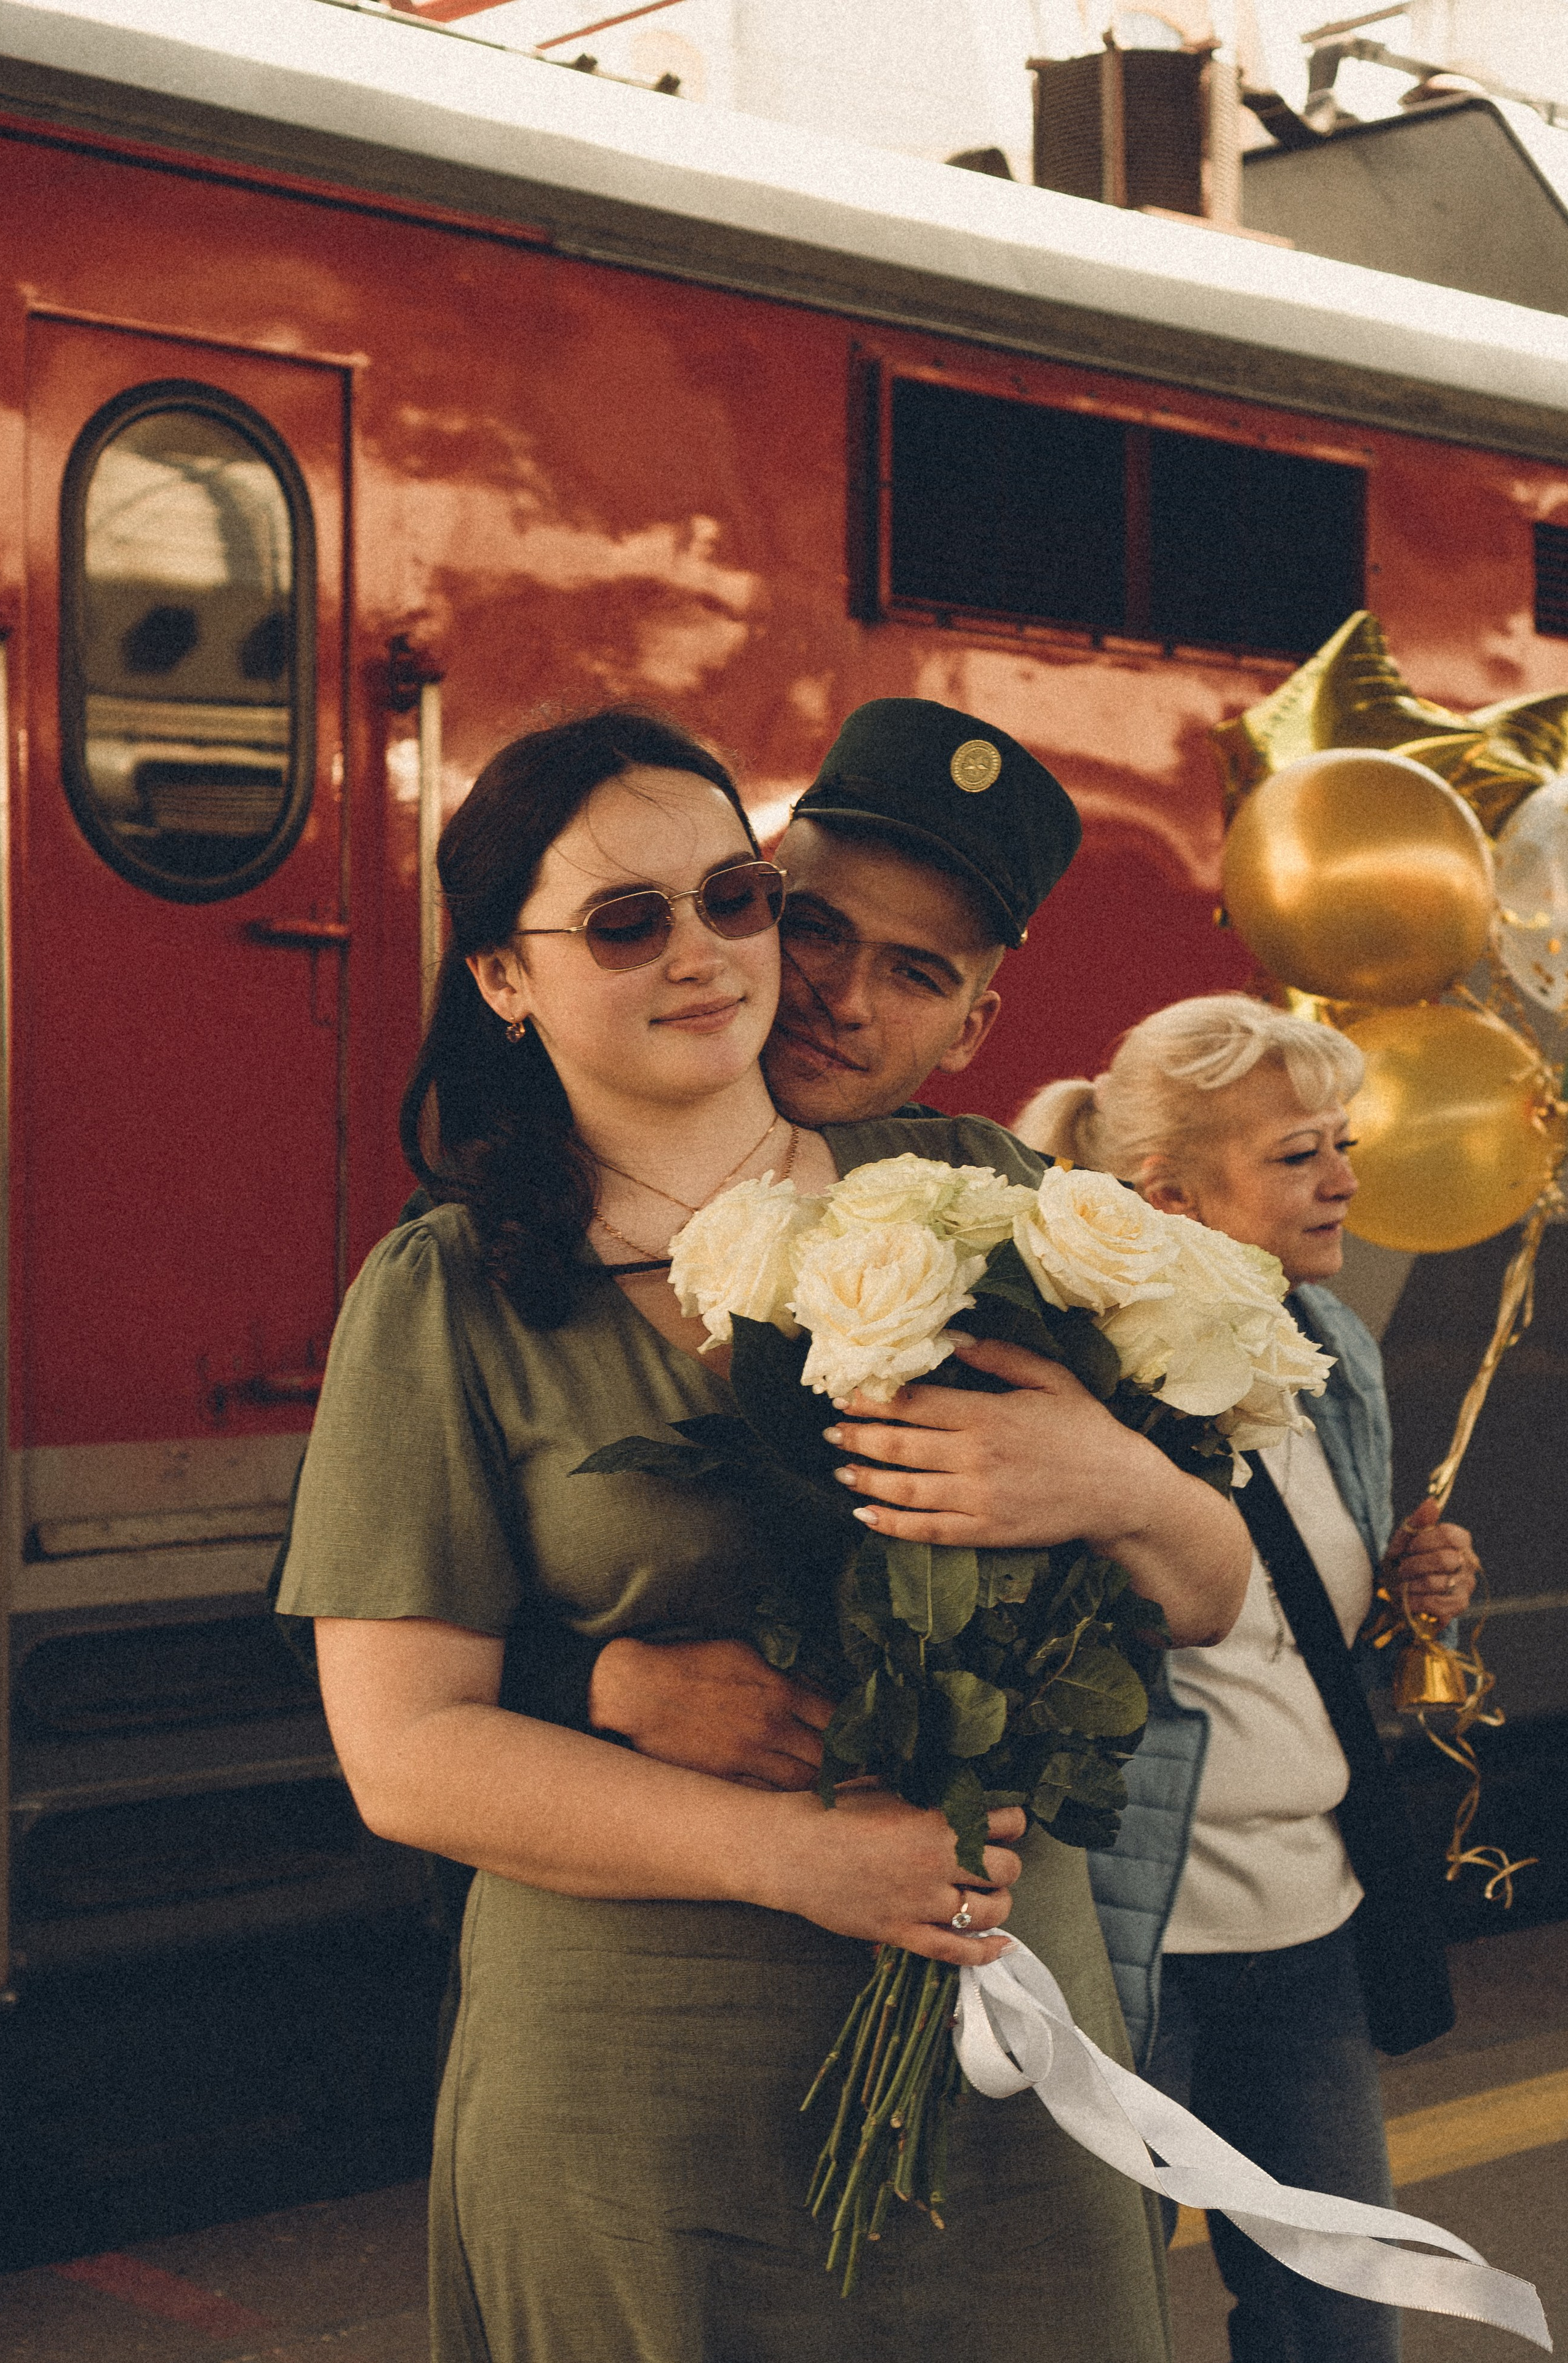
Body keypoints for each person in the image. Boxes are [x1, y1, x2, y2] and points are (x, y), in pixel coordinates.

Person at [276, 703, 1242, 2363]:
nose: (716, 953)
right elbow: (405, 1759)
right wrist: (805, 1857)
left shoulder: (983, 1193)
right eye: (624, 922)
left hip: (1008, 2063)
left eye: (733, 897)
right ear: (505, 978)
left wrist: (1121, 1486)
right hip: (643, 2105)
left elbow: (1212, 1593)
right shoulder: (445, 1296)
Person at [524, 698, 1250, 1772]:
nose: (847, 999)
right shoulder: (518, 1216)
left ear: (973, 1030)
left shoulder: (1022, 1209)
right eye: (815, 929)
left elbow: (1210, 1595)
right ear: (747, 911)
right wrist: (595, 1682)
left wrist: (1124, 1484)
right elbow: (346, 1627)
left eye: (918, 973)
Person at [1014, 996, 1475, 2363]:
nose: (1341, 1178)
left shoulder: (1334, 1356)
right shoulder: (1086, 1385)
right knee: (1093, 2324)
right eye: (1294, 1156)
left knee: (1337, 2331)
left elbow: (1313, 1661)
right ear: (1165, 1194)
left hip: (1304, 1929)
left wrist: (1406, 1603)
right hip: (1127, 1942)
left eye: (1338, 1143)